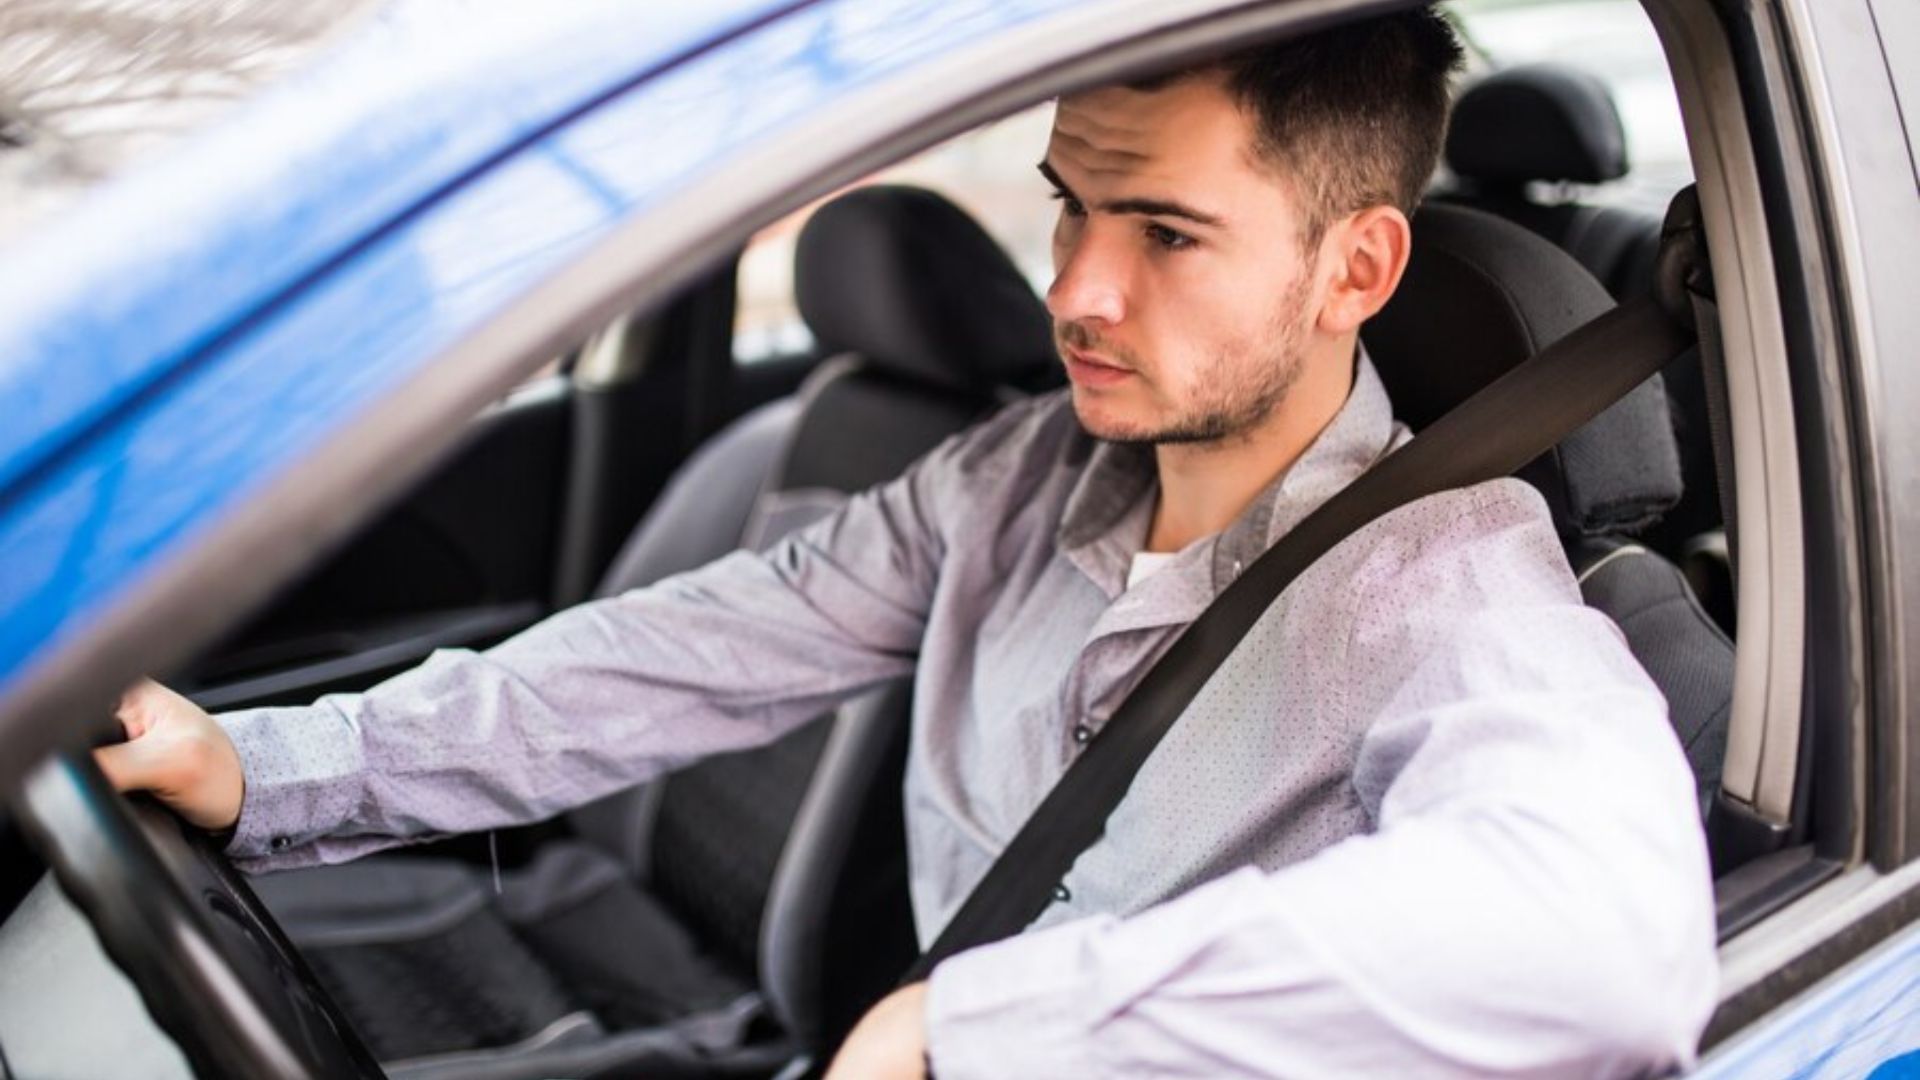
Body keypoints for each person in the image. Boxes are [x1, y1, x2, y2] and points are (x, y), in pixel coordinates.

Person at [98, 8, 1719, 1078]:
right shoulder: (1019, 476)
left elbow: (1606, 949)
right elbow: (678, 657)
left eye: (1164, 234)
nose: (1075, 287)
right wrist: (268, 769)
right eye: (1072, 206)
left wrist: (978, 1024)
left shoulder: (1450, 601)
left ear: (1356, 271)